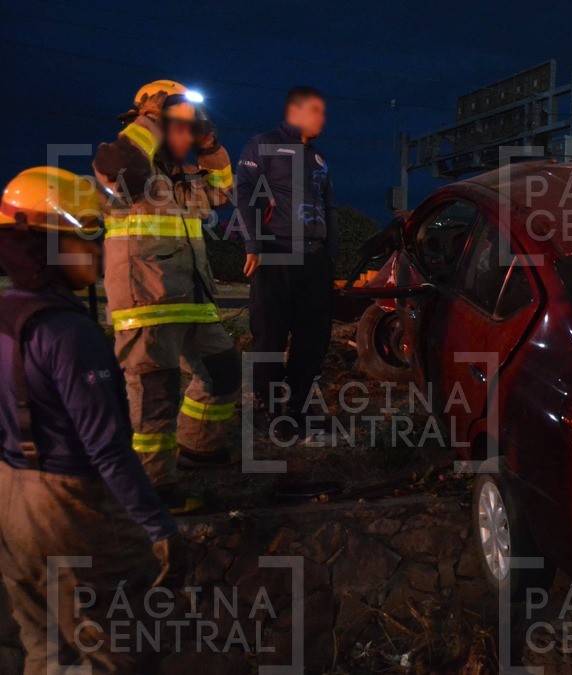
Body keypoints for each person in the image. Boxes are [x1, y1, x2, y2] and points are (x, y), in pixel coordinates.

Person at [0, 167, 183, 673]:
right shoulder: (68, 334)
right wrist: (157, 525)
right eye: (85, 237)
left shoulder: (7, 314)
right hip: (71, 513)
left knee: (45, 651)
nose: (98, 249)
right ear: (45, 246)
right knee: (119, 654)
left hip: (11, 502)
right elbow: (107, 450)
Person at [93, 80, 241, 512]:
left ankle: (199, 447)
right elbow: (124, 166)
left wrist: (208, 141)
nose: (183, 131)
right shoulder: (117, 162)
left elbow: (225, 189)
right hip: (147, 304)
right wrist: (153, 116)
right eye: (173, 121)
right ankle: (152, 487)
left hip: (194, 299)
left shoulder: (184, 175)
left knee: (224, 373)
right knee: (155, 395)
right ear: (151, 120)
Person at [235, 86, 339, 432]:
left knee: (313, 338)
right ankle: (269, 408)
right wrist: (253, 244)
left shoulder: (320, 158)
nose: (322, 118)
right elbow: (245, 192)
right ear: (294, 111)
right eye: (316, 110)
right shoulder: (263, 145)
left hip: (315, 260)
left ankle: (298, 407)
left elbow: (329, 207)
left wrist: (331, 257)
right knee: (270, 335)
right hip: (276, 254)